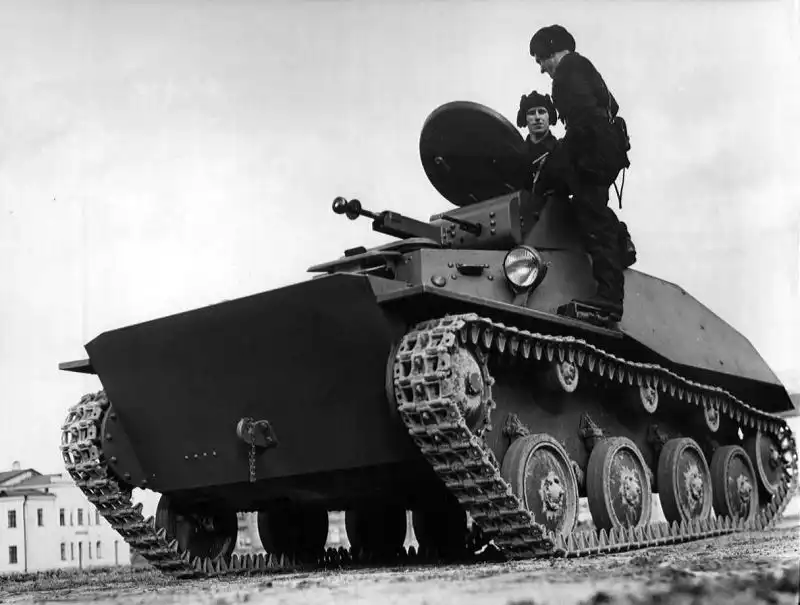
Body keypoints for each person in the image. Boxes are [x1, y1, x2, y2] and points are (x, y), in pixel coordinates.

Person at [529, 24, 635, 321]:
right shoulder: (584, 68)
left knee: (590, 215)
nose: (541, 68)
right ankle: (620, 239)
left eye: (540, 59)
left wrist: (560, 158)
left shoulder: (567, 72)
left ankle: (610, 300)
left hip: (592, 151)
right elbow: (610, 106)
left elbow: (584, 122)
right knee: (589, 208)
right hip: (603, 150)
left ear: (551, 50)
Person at [516, 90, 559, 192]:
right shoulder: (518, 154)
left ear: (549, 116)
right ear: (525, 119)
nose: (537, 117)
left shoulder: (560, 150)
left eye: (541, 111)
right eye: (531, 113)